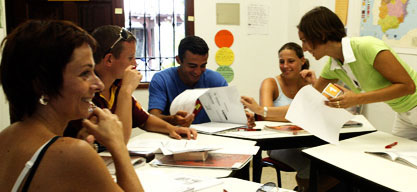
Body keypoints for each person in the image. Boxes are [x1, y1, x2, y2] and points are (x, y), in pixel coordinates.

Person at [245, 6, 417, 151]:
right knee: (396, 162)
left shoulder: (367, 47)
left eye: (305, 41)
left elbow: (408, 86)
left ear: (322, 35)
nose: (305, 48)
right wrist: (261, 110)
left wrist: (356, 98)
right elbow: (306, 105)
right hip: (405, 113)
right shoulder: (332, 64)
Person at [0, 20, 143, 191]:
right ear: (42, 85)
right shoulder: (73, 153)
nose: (99, 85)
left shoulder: (7, 136)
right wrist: (117, 145)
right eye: (85, 73)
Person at [65, 25, 197, 145]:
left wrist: (172, 129)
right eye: (130, 58)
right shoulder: (86, 92)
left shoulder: (116, 85)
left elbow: (144, 119)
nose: (135, 63)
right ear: (109, 59)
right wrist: (126, 91)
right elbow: (118, 141)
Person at [148, 36, 255, 127]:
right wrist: (173, 120)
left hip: (212, 139)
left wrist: (243, 117)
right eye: (192, 66)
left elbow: (229, 115)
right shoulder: (162, 80)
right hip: (172, 138)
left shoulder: (216, 81)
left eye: (203, 65)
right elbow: (152, 117)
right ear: (179, 60)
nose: (198, 72)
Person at [259, 42, 311, 191]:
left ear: (302, 61)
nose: (285, 65)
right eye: (282, 61)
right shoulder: (270, 83)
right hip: (279, 145)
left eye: (291, 61)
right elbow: (266, 115)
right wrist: (299, 114)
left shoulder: (308, 83)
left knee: (328, 161)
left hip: (306, 139)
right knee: (309, 163)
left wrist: (313, 85)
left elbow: (317, 113)